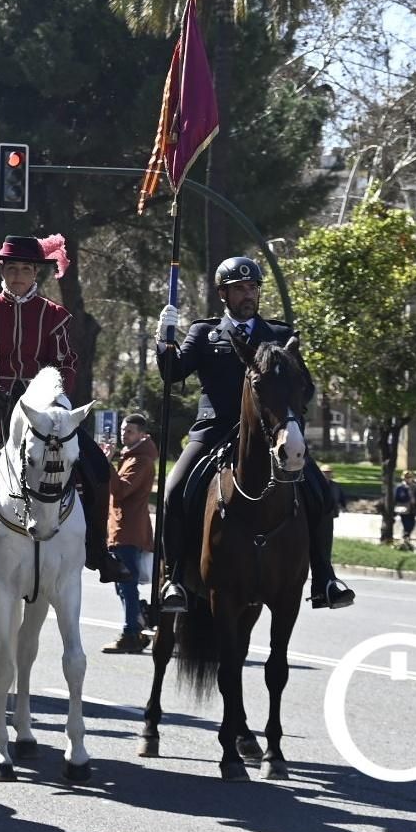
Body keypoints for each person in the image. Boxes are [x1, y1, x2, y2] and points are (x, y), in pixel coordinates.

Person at [0, 235, 131, 586]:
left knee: (98, 469)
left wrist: (51, 396)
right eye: (12, 268)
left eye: (25, 269)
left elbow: (67, 365)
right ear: (2, 271)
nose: (18, 275)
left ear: (36, 272)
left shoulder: (57, 317)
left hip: (45, 414)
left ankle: (99, 550)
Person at [155, 256, 354, 612]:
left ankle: (325, 576)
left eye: (253, 288)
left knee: (320, 492)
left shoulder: (279, 335)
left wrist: (289, 416)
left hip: (269, 433)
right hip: (214, 429)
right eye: (239, 289)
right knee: (173, 491)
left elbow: (304, 386)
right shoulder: (204, 333)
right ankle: (174, 578)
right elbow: (173, 373)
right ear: (223, 294)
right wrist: (164, 340)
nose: (248, 295)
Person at [103, 414, 156, 654]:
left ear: (142, 434)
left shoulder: (141, 461)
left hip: (129, 531)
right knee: (121, 584)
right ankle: (137, 620)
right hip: (121, 530)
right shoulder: (131, 456)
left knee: (127, 584)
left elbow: (121, 490)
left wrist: (107, 463)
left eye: (130, 432)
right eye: (123, 431)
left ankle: (131, 632)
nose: (125, 435)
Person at [394, 472, 416, 544]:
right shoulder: (400, 487)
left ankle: (406, 536)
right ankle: (406, 538)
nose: (408, 479)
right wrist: (408, 498)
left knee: (412, 524)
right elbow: (398, 497)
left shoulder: (415, 487)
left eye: (410, 477)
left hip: (412, 509)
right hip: (404, 509)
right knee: (406, 524)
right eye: (407, 477)